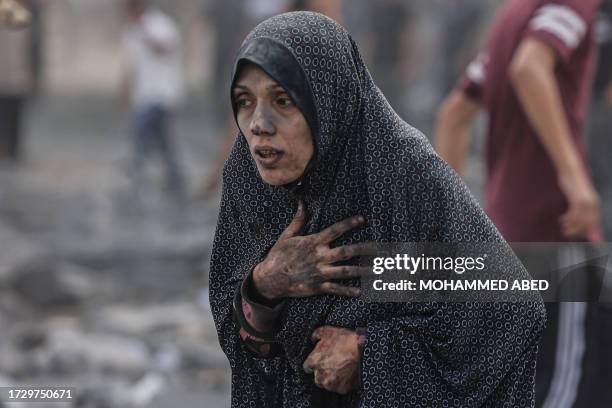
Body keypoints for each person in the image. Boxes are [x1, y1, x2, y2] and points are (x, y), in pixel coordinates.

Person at [210, 11, 545, 407]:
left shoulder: (399, 170)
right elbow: (241, 335)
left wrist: (368, 355)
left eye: (283, 100)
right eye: (245, 102)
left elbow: (514, 309)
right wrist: (265, 284)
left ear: (327, 99)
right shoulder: (249, 181)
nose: (258, 125)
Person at [434, 0, 606, 406]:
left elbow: (455, 113)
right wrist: (573, 176)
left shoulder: (513, 15)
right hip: (556, 235)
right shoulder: (572, 3)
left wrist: (450, 223)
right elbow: (529, 67)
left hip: (507, 240)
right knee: (567, 392)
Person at [121, 0, 186, 195]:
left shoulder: (162, 24)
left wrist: (146, 36)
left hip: (162, 93)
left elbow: (168, 48)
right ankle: (175, 178)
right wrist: (125, 90)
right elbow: (131, 64)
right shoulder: (130, 31)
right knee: (164, 141)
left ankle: (138, 173)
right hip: (144, 93)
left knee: (141, 136)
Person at [0, 0, 34, 161]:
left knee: (14, 115)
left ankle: (12, 149)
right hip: (8, 77)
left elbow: (28, 49)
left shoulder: (22, 17)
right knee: (8, 115)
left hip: (16, 76)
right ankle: (9, 149)